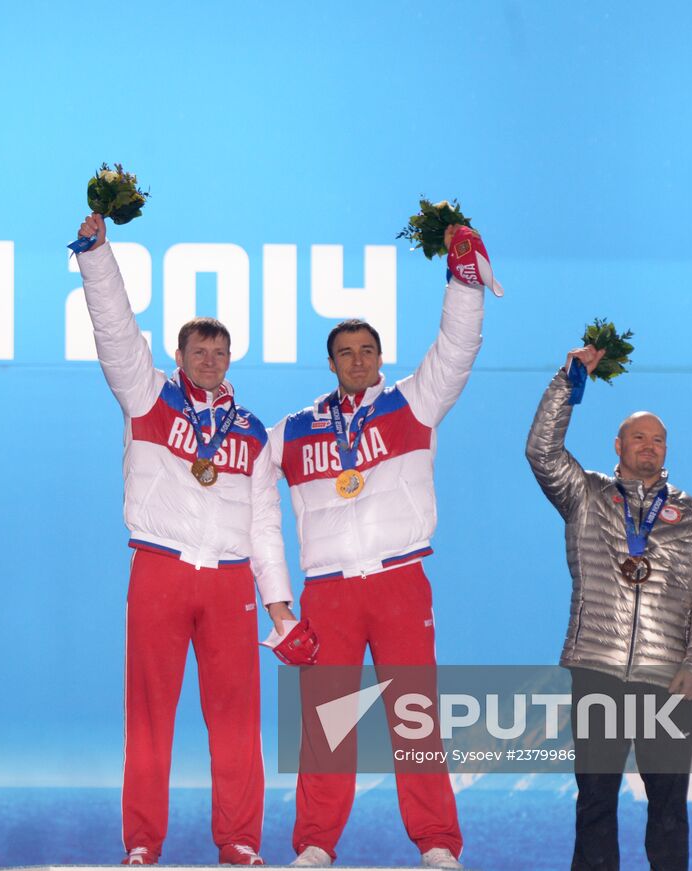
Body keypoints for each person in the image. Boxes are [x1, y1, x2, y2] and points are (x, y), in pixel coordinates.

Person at [73, 214, 293, 866]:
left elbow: (264, 525)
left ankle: (241, 840)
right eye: (198, 351)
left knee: (236, 718)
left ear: (230, 359)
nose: (208, 360)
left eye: (219, 352)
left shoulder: (252, 431)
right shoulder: (145, 396)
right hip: (161, 567)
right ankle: (142, 841)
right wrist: (97, 256)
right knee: (148, 714)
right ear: (178, 356)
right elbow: (115, 332)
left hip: (229, 579)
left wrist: (280, 604)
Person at [268, 224, 488, 869]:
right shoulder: (291, 432)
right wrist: (277, 604)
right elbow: (238, 502)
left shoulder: (413, 404)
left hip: (399, 579)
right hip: (328, 589)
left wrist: (463, 279)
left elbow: (457, 347)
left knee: (415, 719)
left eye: (367, 350)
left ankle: (438, 844)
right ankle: (314, 843)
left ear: (380, 357)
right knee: (328, 723)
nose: (357, 359)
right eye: (345, 352)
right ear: (330, 362)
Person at [525, 345, 692, 871]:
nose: (649, 447)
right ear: (618, 445)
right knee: (595, 802)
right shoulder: (586, 495)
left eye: (658, 440)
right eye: (639, 437)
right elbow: (542, 451)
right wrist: (569, 381)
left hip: (669, 678)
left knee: (668, 806)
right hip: (598, 670)